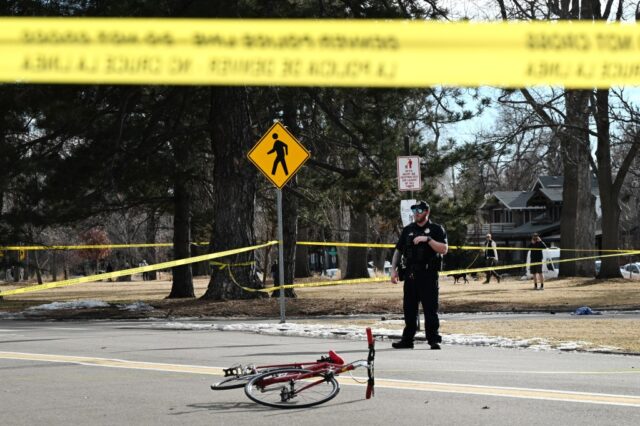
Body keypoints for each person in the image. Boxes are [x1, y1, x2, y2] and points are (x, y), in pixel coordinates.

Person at [390, 200, 448, 350]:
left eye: (419, 211)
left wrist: (428, 240)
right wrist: (393, 269)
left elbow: (444, 249)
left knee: (430, 309)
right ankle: (407, 340)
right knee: (409, 309)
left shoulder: (436, 229)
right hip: (410, 274)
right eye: (414, 211)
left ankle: (433, 339)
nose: (416, 213)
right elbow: (398, 250)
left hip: (428, 275)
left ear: (426, 212)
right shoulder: (408, 229)